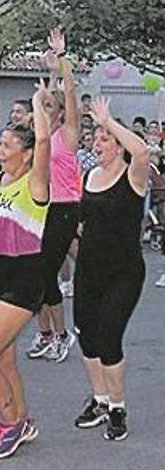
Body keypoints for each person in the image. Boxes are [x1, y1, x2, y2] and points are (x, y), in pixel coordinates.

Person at [0, 81, 52, 459]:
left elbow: (46, 145)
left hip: (23, 280)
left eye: (7, 146)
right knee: (2, 358)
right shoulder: (0, 182)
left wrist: (38, 105)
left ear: (28, 153)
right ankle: (23, 418)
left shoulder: (35, 184)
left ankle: (10, 424)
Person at [73, 97, 149, 442]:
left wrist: (109, 121)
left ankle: (118, 407)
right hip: (89, 271)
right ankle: (100, 400)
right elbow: (82, 223)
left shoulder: (134, 176)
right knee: (87, 338)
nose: (96, 143)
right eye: (96, 137)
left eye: (104, 139)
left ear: (119, 147)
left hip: (124, 272)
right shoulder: (89, 175)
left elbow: (143, 151)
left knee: (109, 339)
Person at [26, 29, 81, 363]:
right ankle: (45, 333)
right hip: (40, 208)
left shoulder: (68, 134)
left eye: (49, 105)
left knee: (47, 272)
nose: (44, 110)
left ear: (60, 111)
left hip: (64, 208)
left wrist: (61, 59)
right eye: (41, 104)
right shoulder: (38, 138)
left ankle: (62, 335)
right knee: (36, 274)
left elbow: (70, 92)